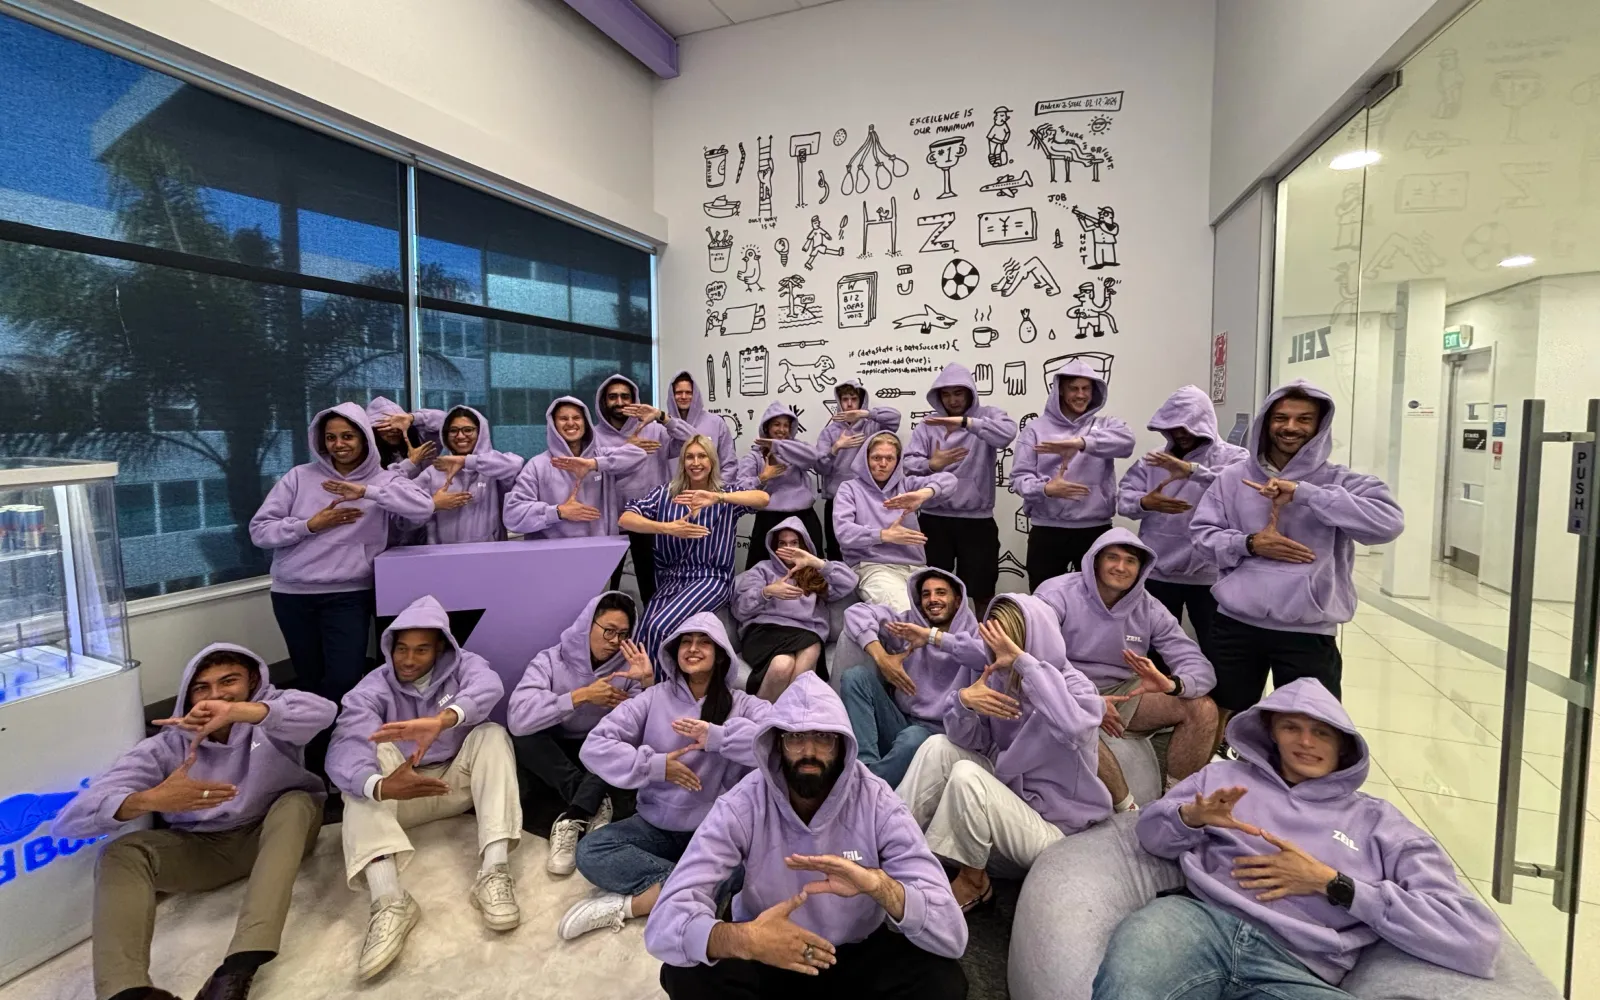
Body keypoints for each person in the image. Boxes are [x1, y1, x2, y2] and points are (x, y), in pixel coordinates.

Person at [1095, 679, 1500, 999]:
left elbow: (1474, 939)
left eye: (1321, 733)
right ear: (1272, 733)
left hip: (1298, 966)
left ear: (1344, 746)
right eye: (1292, 728)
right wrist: (1191, 818)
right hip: (1198, 924)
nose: (1305, 742)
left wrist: (1332, 883)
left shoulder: (1380, 823)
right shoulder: (1222, 779)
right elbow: (1147, 836)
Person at [646, 673, 969, 999]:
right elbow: (664, 924)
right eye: (796, 738)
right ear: (777, 743)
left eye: (823, 738)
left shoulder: (878, 802)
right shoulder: (743, 802)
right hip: (768, 947)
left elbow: (951, 934)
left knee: (942, 980)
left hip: (853, 954)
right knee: (684, 971)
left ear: (843, 745)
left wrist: (880, 886)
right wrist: (747, 940)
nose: (809, 752)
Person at [54, 644, 336, 1000]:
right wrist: (148, 800)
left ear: (252, 682)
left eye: (229, 682)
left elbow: (324, 711)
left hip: (276, 832)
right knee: (122, 853)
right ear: (188, 696)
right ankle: (129, 992)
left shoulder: (272, 715)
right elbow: (68, 822)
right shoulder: (165, 746)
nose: (215, 695)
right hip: (205, 848)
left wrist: (239, 712)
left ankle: (238, 968)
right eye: (202, 687)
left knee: (297, 803)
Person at [326, 595, 521, 980]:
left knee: (491, 733)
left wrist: (444, 720)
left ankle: (494, 872)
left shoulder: (466, 667)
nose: (408, 659)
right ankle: (389, 901)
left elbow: (489, 686)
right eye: (401, 648)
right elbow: (344, 743)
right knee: (365, 765)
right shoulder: (372, 687)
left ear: (442, 650)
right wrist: (380, 787)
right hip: (400, 798)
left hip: (452, 787)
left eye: (421, 650)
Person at [1190, 381, 1404, 728]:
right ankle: (1221, 780)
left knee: (1308, 725)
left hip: (1308, 629)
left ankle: (1292, 784)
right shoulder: (1232, 479)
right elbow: (1201, 537)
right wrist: (1250, 543)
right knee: (1219, 716)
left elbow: (1388, 525)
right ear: (1266, 422)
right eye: (1281, 418)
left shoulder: (1340, 481)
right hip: (1236, 624)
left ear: (1319, 427)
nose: (1290, 427)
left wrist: (1306, 495)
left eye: (1303, 419)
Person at [558, 614, 772, 940]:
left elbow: (775, 744)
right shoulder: (653, 697)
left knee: (750, 869)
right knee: (590, 851)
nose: (693, 649)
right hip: (656, 826)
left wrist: (718, 738)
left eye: (704, 642)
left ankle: (630, 906)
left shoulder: (742, 704)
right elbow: (595, 747)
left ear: (720, 654)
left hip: (714, 831)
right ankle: (692, 892)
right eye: (686, 642)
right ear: (675, 652)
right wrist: (656, 766)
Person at [249, 402, 434, 774]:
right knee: (309, 680)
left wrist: (366, 492)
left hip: (349, 594)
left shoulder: (383, 480)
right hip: (293, 595)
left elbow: (423, 507)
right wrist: (310, 525)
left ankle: (345, 758)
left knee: (345, 679)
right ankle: (314, 764)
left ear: (365, 439)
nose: (339, 444)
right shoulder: (299, 477)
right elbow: (260, 531)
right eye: (330, 437)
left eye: (347, 436)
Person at [898, 594, 1111, 911]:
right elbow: (975, 742)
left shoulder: (1073, 684)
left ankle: (974, 882)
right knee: (938, 746)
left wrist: (1025, 665)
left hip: (1055, 832)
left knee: (968, 777)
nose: (1000, 654)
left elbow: (1076, 729)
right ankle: (893, 840)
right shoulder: (996, 677)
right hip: (1009, 805)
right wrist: (964, 704)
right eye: (996, 642)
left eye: (1010, 644)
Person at [1035, 529, 1218, 813]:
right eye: (1112, 558)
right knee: (1067, 711)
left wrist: (1174, 685)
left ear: (1141, 568)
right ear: (1095, 561)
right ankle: (1126, 809)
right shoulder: (1054, 593)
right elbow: (1040, 657)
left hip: (1123, 693)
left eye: (1130, 561)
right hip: (1065, 690)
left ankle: (1176, 803)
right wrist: (1089, 702)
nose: (1121, 567)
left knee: (1203, 709)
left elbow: (1196, 664)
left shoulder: (1150, 607)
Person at [507, 591, 655, 876]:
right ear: (588, 626)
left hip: (600, 754)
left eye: (623, 634)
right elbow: (518, 717)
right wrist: (581, 696)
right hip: (560, 750)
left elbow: (650, 731)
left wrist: (646, 686)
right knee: (522, 737)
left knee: (617, 743)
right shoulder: (550, 660)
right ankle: (591, 801)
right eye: (608, 631)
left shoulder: (630, 667)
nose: (614, 642)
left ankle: (573, 815)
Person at [1115, 385, 1249, 664]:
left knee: (1218, 648)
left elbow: (1241, 491)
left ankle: (1216, 705)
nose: (1180, 433)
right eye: (1173, 427)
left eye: (1188, 426)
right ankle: (1159, 705)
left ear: (1205, 423)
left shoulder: (1235, 458)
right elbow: (1124, 501)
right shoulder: (1153, 461)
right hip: (1159, 572)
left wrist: (1192, 471)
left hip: (1212, 573)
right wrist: (1145, 503)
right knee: (1154, 648)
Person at [620, 434, 772, 657]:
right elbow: (625, 518)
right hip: (670, 579)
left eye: (702, 456)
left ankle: (660, 688)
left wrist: (718, 498)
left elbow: (763, 498)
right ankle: (644, 688)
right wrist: (667, 528)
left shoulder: (725, 495)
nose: (696, 462)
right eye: (690, 457)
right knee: (642, 633)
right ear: (683, 463)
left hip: (712, 578)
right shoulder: (665, 494)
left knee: (659, 627)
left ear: (711, 462)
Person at [840, 568, 979, 786]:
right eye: (926, 594)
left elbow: (984, 655)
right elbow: (855, 613)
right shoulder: (908, 625)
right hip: (900, 720)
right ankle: (864, 767)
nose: (933, 599)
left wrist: (932, 637)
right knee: (856, 677)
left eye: (941, 593)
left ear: (958, 600)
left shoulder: (973, 634)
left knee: (912, 739)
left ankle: (866, 790)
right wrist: (882, 658)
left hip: (942, 735)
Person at [903, 362, 1018, 613]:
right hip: (934, 519)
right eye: (946, 394)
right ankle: (933, 643)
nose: (952, 400)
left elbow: (1007, 434)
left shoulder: (987, 416)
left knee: (983, 590)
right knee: (931, 589)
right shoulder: (928, 425)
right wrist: (932, 464)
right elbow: (909, 465)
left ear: (970, 392)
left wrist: (968, 423)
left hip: (977, 521)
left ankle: (984, 644)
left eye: (958, 392)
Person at [1011, 360, 1135, 589]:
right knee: (1043, 599)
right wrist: (1046, 489)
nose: (1080, 395)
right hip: (1047, 530)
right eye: (1073, 388)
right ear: (1060, 390)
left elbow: (1127, 443)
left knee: (1096, 599)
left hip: (1094, 530)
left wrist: (1081, 443)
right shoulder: (1035, 429)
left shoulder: (1106, 425)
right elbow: (1019, 478)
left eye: (1086, 388)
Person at [731, 517, 858, 700]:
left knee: (797, 655)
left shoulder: (815, 574)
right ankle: (766, 720)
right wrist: (767, 592)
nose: (788, 548)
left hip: (806, 633)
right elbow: (739, 610)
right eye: (782, 543)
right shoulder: (762, 570)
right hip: (764, 633)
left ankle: (780, 721)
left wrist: (816, 562)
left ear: (803, 545)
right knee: (782, 665)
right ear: (774, 547)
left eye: (794, 543)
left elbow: (850, 582)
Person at [833, 430, 957, 613]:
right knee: (904, 612)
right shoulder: (849, 489)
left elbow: (950, 480)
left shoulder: (906, 486)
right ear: (865, 459)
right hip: (873, 567)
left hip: (916, 568)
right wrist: (884, 535)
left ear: (897, 461)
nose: (883, 464)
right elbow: (844, 532)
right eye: (876, 458)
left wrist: (924, 493)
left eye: (889, 458)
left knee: (950, 610)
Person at [504, 396, 644, 540]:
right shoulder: (537, 465)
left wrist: (592, 464)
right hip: (552, 555)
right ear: (553, 424)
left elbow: (638, 455)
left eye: (576, 418)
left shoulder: (600, 456)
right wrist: (558, 512)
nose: (571, 423)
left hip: (599, 550)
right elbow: (512, 514)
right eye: (563, 418)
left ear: (586, 423)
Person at [595, 375, 671, 601]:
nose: (619, 402)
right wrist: (628, 448)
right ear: (603, 401)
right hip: (609, 524)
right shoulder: (593, 435)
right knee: (607, 592)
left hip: (649, 522)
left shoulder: (654, 430)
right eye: (613, 397)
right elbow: (590, 469)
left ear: (635, 399)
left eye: (625, 396)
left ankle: (651, 631)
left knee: (652, 588)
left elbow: (693, 440)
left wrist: (662, 416)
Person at [402, 405, 524, 544]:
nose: (460, 436)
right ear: (445, 434)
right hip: (444, 556)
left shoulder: (492, 469)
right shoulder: (434, 472)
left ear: (481, 432)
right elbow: (404, 517)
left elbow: (515, 465)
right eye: (453, 430)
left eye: (468, 430)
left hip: (490, 554)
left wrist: (466, 461)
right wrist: (433, 505)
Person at [814, 380, 901, 561]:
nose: (849, 404)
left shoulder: (873, 426)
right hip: (837, 499)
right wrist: (836, 448)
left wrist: (865, 414)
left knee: (870, 549)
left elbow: (895, 417)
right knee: (836, 550)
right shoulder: (829, 432)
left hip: (869, 499)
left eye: (854, 399)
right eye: (845, 399)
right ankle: (840, 588)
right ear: (839, 401)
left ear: (861, 401)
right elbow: (819, 468)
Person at [737, 403, 824, 572]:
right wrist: (763, 478)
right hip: (768, 520)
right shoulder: (755, 456)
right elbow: (740, 488)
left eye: (786, 425)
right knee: (761, 571)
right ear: (767, 427)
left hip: (803, 518)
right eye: (777, 424)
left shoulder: (797, 450)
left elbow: (814, 459)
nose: (782, 429)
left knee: (810, 571)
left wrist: (779, 447)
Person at [660, 370, 739, 485]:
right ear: (672, 395)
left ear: (695, 394)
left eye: (688, 392)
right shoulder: (662, 428)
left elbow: (729, 463)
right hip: (674, 497)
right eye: (678, 392)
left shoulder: (716, 423)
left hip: (711, 496)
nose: (683, 396)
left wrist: (717, 491)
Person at [366, 396, 444, 479]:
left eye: (398, 424)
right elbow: (381, 483)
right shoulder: (365, 456)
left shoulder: (420, 439)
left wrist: (413, 418)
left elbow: (447, 421)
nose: (395, 430)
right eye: (387, 426)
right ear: (373, 430)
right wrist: (411, 462)